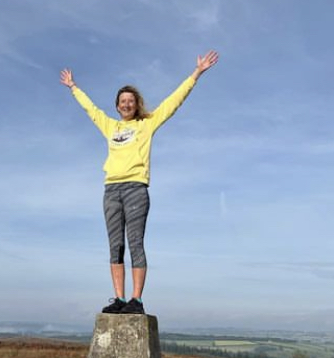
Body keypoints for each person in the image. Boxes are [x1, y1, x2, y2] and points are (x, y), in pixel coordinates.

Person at [60, 50, 219, 315]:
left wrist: (197, 73)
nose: (126, 104)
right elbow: (91, 109)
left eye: (130, 101)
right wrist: (74, 87)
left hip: (136, 188)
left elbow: (173, 102)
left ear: (137, 104)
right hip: (111, 190)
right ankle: (119, 299)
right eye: (122, 101)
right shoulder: (110, 127)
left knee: (135, 243)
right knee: (115, 246)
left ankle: (136, 300)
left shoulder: (146, 124)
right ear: (117, 105)